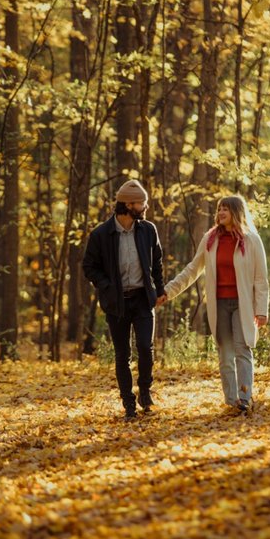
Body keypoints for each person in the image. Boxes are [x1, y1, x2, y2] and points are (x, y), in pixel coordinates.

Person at [159, 195, 269, 415]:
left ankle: (245, 398)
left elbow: (260, 279)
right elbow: (193, 269)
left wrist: (261, 310)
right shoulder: (210, 239)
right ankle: (231, 402)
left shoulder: (251, 240)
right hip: (219, 304)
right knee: (225, 353)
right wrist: (168, 290)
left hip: (242, 304)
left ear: (237, 212)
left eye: (225, 209)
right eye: (219, 209)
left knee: (242, 349)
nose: (220, 213)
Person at [83, 179, 166, 420]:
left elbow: (157, 262)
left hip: (142, 299)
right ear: (128, 205)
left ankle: (145, 391)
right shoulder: (101, 234)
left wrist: (159, 288)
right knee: (123, 354)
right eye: (142, 203)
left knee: (145, 347)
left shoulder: (148, 230)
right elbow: (89, 266)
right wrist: (107, 286)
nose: (145, 208)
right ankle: (128, 402)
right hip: (116, 302)